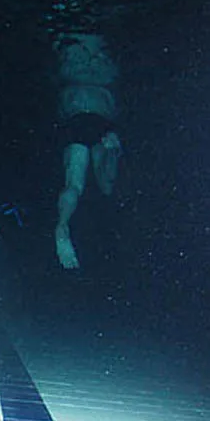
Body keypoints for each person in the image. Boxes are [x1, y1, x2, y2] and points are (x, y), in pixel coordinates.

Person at [52, 33, 122, 270]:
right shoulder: (102, 65)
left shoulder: (72, 59)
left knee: (76, 185)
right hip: (98, 121)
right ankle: (61, 227)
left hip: (79, 118)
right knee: (102, 185)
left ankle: (62, 226)